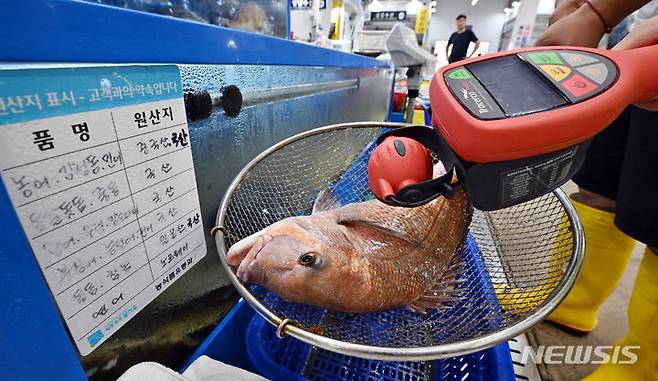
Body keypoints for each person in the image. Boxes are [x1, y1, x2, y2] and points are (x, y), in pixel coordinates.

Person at [537, 1, 658, 379]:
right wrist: (586, 12)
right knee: (599, 182)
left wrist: (594, 13)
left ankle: (644, 364)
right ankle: (570, 303)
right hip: (633, 35)